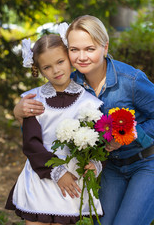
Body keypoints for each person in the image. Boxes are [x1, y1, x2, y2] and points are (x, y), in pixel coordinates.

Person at [13, 15, 154, 225]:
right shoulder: (71, 81)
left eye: (90, 48)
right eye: (74, 50)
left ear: (104, 48)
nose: (82, 57)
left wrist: (131, 133)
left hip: (146, 162)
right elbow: (42, 123)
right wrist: (18, 111)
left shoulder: (131, 81)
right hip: (110, 167)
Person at [5, 34, 104, 225]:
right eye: (47, 67)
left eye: (60, 62)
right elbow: (31, 145)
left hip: (73, 181)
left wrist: (95, 164)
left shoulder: (90, 103)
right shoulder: (34, 100)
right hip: (40, 177)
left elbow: (98, 143)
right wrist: (58, 173)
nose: (56, 70)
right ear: (39, 70)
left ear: (69, 58)